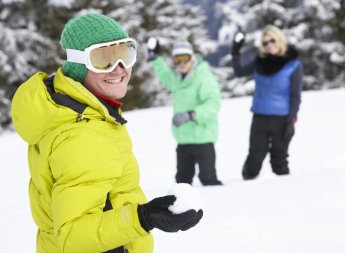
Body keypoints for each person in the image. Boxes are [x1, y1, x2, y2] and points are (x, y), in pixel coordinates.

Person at [11, 14, 202, 253]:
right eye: (103, 59)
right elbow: (73, 236)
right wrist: (144, 218)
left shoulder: (78, 113)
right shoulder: (82, 135)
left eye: (125, 54)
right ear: (79, 65)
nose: (119, 69)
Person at [231, 25, 304, 180]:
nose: (269, 44)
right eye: (265, 43)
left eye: (272, 40)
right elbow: (239, 72)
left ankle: (284, 193)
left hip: (281, 118)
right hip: (260, 117)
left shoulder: (293, 64)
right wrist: (236, 51)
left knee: (279, 159)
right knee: (254, 158)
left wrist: (292, 119)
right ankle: (245, 190)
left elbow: (295, 95)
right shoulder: (259, 61)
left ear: (280, 40)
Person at [147, 37, 222, 186]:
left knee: (208, 179)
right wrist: (155, 59)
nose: (181, 63)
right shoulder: (176, 78)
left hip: (203, 138)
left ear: (192, 58)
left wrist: (191, 115)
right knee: (182, 181)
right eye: (177, 59)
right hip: (183, 139)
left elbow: (214, 104)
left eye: (184, 58)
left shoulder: (203, 77)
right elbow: (165, 76)